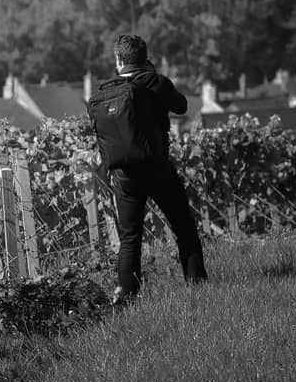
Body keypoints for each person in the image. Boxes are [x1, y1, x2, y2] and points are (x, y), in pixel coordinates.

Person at [87, 34, 208, 305]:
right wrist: (155, 77)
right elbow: (181, 106)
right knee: (183, 226)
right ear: (145, 58)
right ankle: (198, 286)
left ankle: (128, 297)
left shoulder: (105, 92)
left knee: (130, 239)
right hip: (157, 169)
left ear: (118, 60)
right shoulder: (155, 82)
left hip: (124, 176)